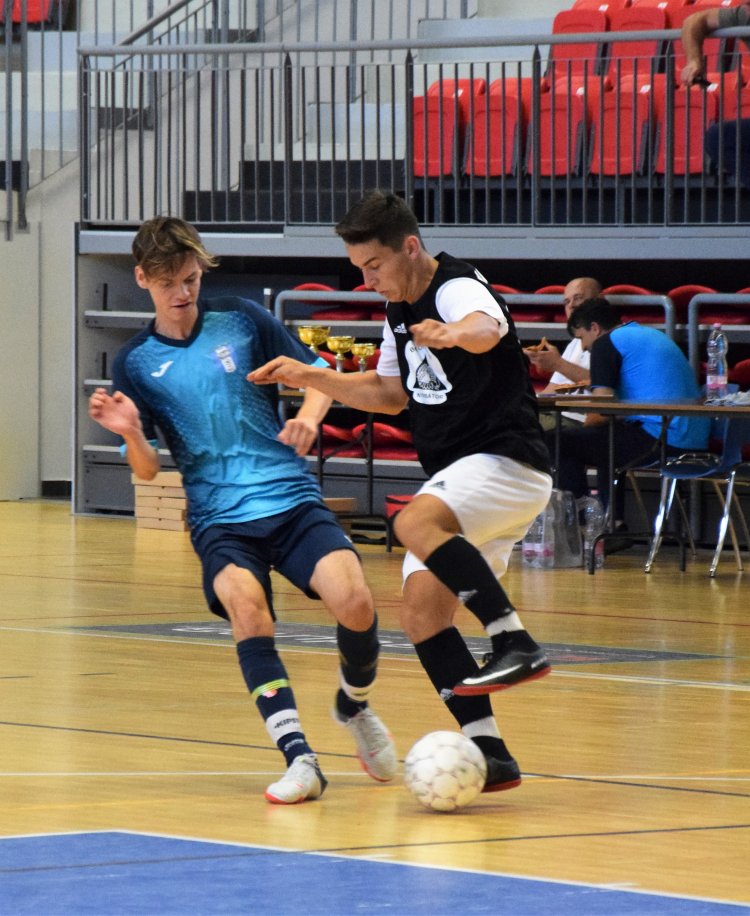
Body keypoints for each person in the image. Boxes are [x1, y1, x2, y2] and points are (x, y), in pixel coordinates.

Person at [250, 190, 553, 793]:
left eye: (374, 265)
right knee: (420, 613)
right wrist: (311, 376)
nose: (366, 280)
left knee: (412, 523)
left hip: (505, 460)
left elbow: (486, 328)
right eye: (359, 268)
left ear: (409, 247)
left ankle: (514, 640)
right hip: (465, 478)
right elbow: (390, 394)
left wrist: (452, 334)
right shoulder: (398, 310)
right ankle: (492, 753)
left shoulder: (454, 286)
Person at [88, 216, 397, 805]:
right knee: (249, 614)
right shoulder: (136, 362)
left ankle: (354, 705)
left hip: (289, 498)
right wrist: (128, 432)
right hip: (219, 519)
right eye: (170, 283)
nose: (183, 293)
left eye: (191, 278)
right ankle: (300, 758)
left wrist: (309, 417)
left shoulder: (241, 319)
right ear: (143, 279)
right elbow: (147, 471)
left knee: (356, 601)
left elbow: (319, 377)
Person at [553, 298, 711, 525]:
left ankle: (578, 526)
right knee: (605, 442)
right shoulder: (648, 334)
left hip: (664, 438)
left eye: (581, 338)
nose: (583, 347)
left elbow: (601, 409)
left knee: (559, 441)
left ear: (594, 328)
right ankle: (612, 524)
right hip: (696, 439)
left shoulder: (605, 343)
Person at [680, 4, 750, 188]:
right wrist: (694, 60)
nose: (746, 9)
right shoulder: (744, 16)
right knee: (718, 138)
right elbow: (694, 21)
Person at [523, 276, 602, 432]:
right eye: (566, 302)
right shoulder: (575, 343)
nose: (571, 306)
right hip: (554, 414)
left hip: (576, 420)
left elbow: (603, 384)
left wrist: (558, 364)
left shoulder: (612, 339)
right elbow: (551, 391)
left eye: (578, 298)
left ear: (599, 300)